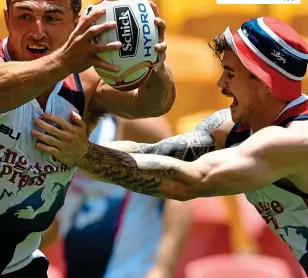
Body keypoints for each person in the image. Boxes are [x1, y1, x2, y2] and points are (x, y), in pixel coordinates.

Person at [33, 17, 308, 274]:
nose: (220, 84)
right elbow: (154, 154)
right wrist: (71, 149)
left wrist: (83, 154)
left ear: (264, 81)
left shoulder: (295, 140)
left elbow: (191, 181)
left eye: (230, 73)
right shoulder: (232, 128)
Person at [0, 0, 176, 278]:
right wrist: (64, 60)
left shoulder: (85, 87)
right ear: (7, 18)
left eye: (52, 18)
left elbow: (151, 104)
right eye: (25, 16)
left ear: (76, 24)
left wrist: (155, 64)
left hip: (17, 264)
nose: (37, 30)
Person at [41, 115, 192, 278]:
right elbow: (59, 223)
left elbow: (180, 191)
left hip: (137, 271)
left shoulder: (135, 120)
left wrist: (163, 268)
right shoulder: (51, 128)